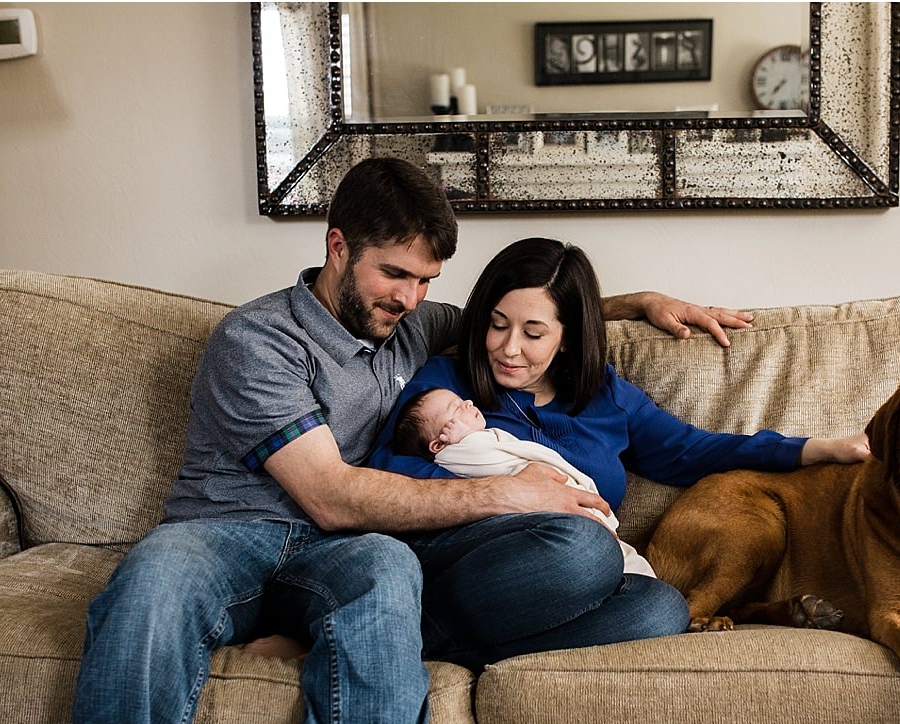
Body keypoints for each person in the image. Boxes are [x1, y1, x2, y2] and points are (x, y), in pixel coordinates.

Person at [49, 157, 758, 724]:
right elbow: (328, 494)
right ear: (338, 247)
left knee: (395, 569)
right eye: (394, 274)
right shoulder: (259, 338)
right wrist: (509, 491)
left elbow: (519, 313)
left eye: (425, 280)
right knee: (148, 581)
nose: (410, 297)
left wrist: (638, 302)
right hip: (226, 536)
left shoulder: (411, 323)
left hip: (346, 554)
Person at [365, 237, 869, 667]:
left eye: (533, 333)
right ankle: (436, 625)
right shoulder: (445, 386)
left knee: (664, 609)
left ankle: (447, 647)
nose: (508, 348)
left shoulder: (607, 397)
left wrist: (816, 449)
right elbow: (386, 469)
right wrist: (507, 492)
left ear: (567, 338)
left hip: (556, 583)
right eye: (497, 325)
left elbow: (695, 450)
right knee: (585, 549)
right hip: (471, 561)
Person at [389, 385, 654, 577]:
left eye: (463, 400)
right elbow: (485, 463)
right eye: (456, 409)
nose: (468, 403)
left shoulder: (489, 435)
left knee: (638, 569)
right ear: (438, 443)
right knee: (609, 557)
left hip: (577, 510)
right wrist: (465, 439)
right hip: (555, 528)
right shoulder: (456, 453)